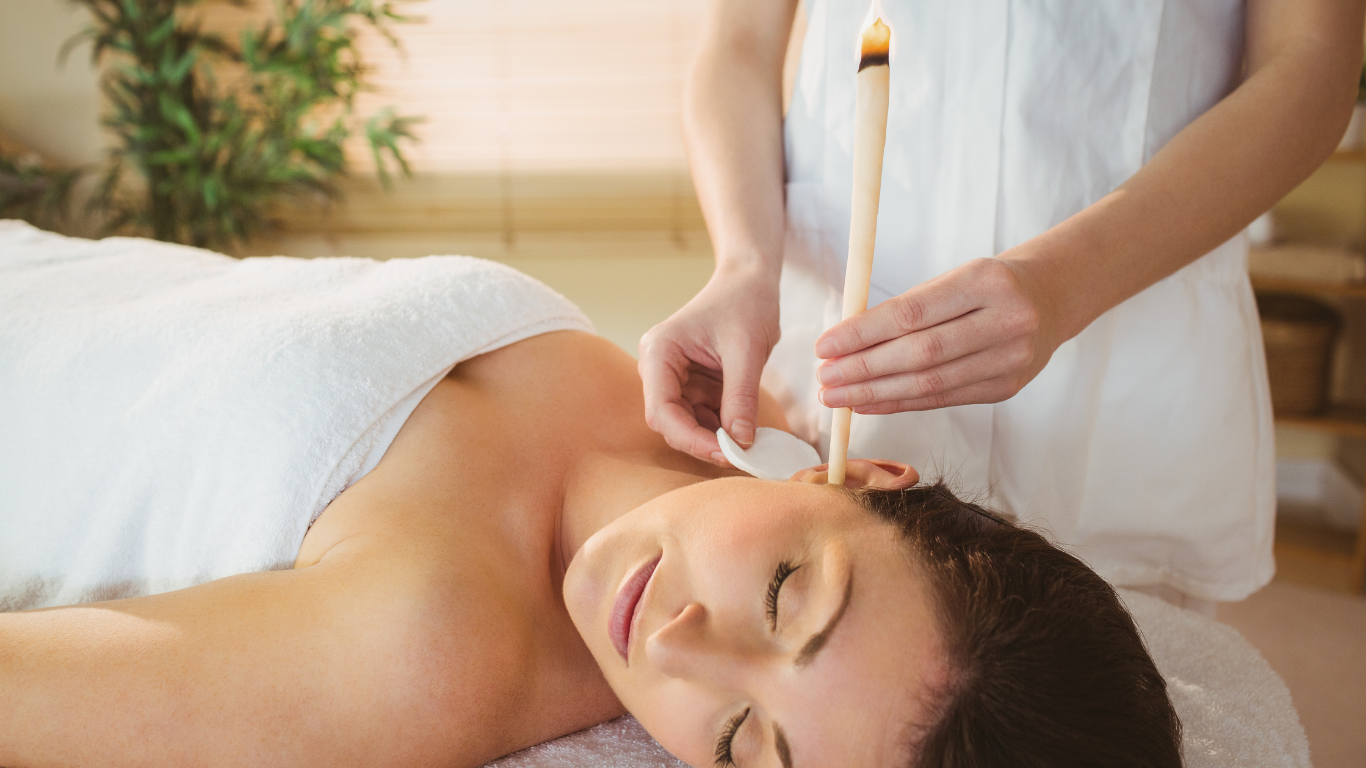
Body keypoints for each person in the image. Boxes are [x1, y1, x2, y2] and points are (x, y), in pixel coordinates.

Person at [0, 278, 1181, 767]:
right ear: (862, 476)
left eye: (736, 745)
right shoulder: (704, 406)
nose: (670, 644)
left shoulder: (429, 653)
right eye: (783, 597)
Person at [640, 0, 1366, 609]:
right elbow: (737, 43)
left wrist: (1063, 282)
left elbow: (1313, 63)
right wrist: (743, 262)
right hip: (835, 351)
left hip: (1125, 354)